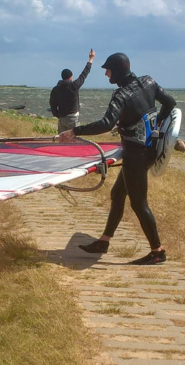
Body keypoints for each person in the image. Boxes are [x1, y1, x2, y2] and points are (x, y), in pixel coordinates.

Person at [58, 53, 176, 266]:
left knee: (139, 204)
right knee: (117, 193)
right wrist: (157, 123)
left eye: (108, 70)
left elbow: (106, 124)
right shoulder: (148, 81)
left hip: (135, 156)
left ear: (117, 71)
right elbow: (170, 103)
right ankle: (104, 242)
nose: (105, 74)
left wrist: (75, 131)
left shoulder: (122, 95)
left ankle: (157, 251)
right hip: (149, 149)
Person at [50, 49, 95, 134]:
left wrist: (58, 115)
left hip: (61, 119)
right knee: (74, 143)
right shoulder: (74, 86)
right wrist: (91, 59)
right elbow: (84, 74)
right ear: (70, 77)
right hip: (72, 119)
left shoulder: (56, 89)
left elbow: (52, 104)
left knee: (62, 142)